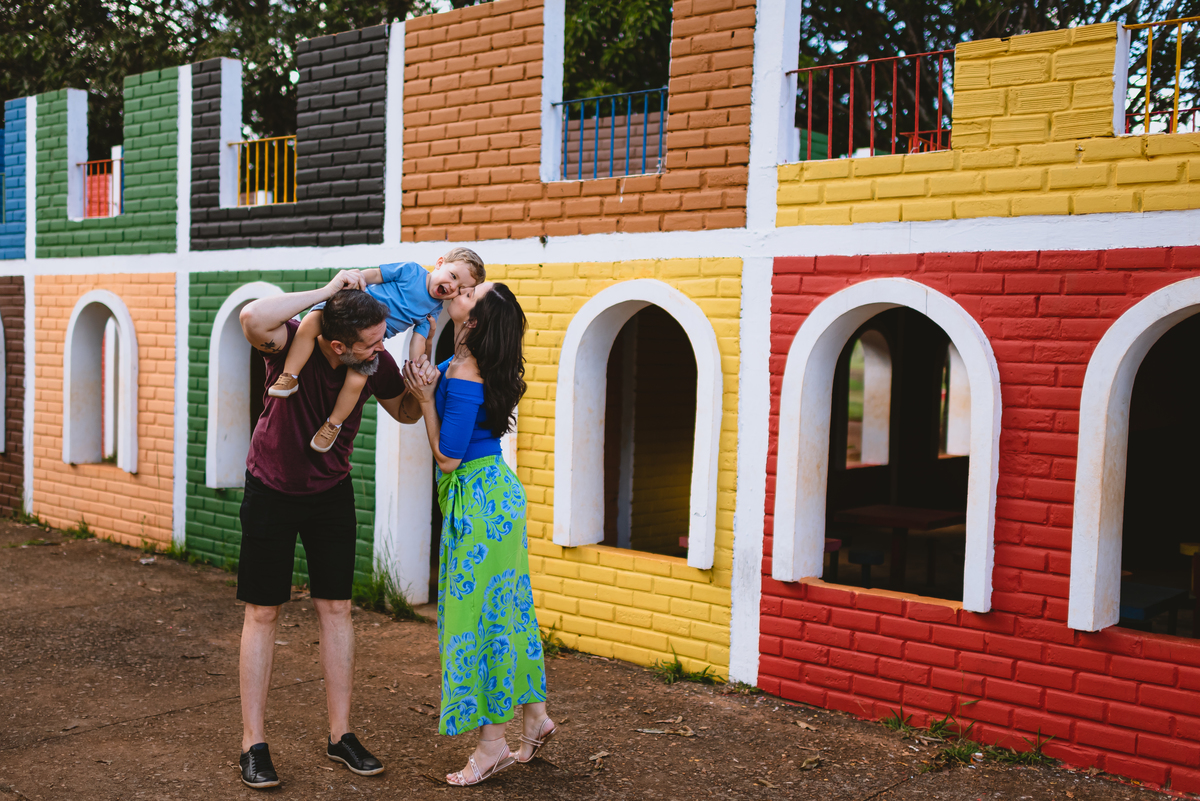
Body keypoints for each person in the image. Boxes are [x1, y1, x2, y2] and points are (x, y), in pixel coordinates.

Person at [234, 270, 425, 790]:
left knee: (336, 608)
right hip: (270, 487)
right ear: (337, 344)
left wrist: (425, 385)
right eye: (372, 341)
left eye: (383, 338)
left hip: (330, 493)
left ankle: (340, 735)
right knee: (263, 610)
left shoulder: (375, 360)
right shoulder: (290, 342)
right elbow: (252, 316)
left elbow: (405, 413)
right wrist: (326, 292)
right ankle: (253, 743)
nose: (380, 346)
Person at [402, 280, 555, 787]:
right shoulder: (470, 360)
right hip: (495, 498)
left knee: (479, 618)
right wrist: (423, 334)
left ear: (476, 321)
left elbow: (448, 458)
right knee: (507, 606)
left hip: (479, 503)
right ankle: (534, 716)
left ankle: (492, 745)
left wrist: (425, 401)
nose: (462, 290)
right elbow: (427, 374)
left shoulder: (468, 370)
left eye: (472, 294)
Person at [267, 247, 486, 453]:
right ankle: (289, 375)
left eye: (459, 290)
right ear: (440, 263)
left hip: (366, 344)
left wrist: (418, 365)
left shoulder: (434, 309)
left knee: (357, 380)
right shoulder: (411, 271)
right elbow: (378, 275)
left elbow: (418, 340)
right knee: (309, 324)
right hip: (348, 310)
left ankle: (332, 425)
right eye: (454, 277)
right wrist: (358, 278)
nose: (452, 287)